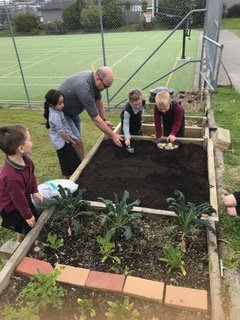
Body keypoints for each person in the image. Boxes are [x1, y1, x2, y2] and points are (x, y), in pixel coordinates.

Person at [59, 66, 123, 158]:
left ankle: (77, 158)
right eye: (106, 86)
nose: (106, 88)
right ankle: (81, 167)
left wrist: (104, 119)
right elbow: (96, 120)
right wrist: (113, 135)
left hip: (73, 112)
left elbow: (98, 100)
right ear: (98, 78)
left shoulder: (93, 80)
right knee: (77, 141)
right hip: (64, 114)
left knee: (77, 139)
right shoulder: (84, 88)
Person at [0, 124, 43, 242]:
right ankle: (24, 246)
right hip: (11, 209)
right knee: (29, 227)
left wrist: (35, 190)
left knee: (32, 222)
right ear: (21, 148)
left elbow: (31, 176)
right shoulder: (11, 177)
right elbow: (17, 199)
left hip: (23, 201)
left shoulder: (27, 161)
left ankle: (20, 242)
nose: (31, 141)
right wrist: (27, 215)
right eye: (29, 139)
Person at [43, 89, 82, 179]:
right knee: (66, 160)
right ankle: (67, 176)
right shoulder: (55, 116)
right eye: (60, 103)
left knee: (72, 157)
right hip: (61, 142)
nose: (63, 105)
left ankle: (74, 173)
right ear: (52, 105)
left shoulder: (56, 111)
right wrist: (72, 140)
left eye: (63, 102)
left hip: (64, 140)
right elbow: (62, 133)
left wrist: (72, 137)